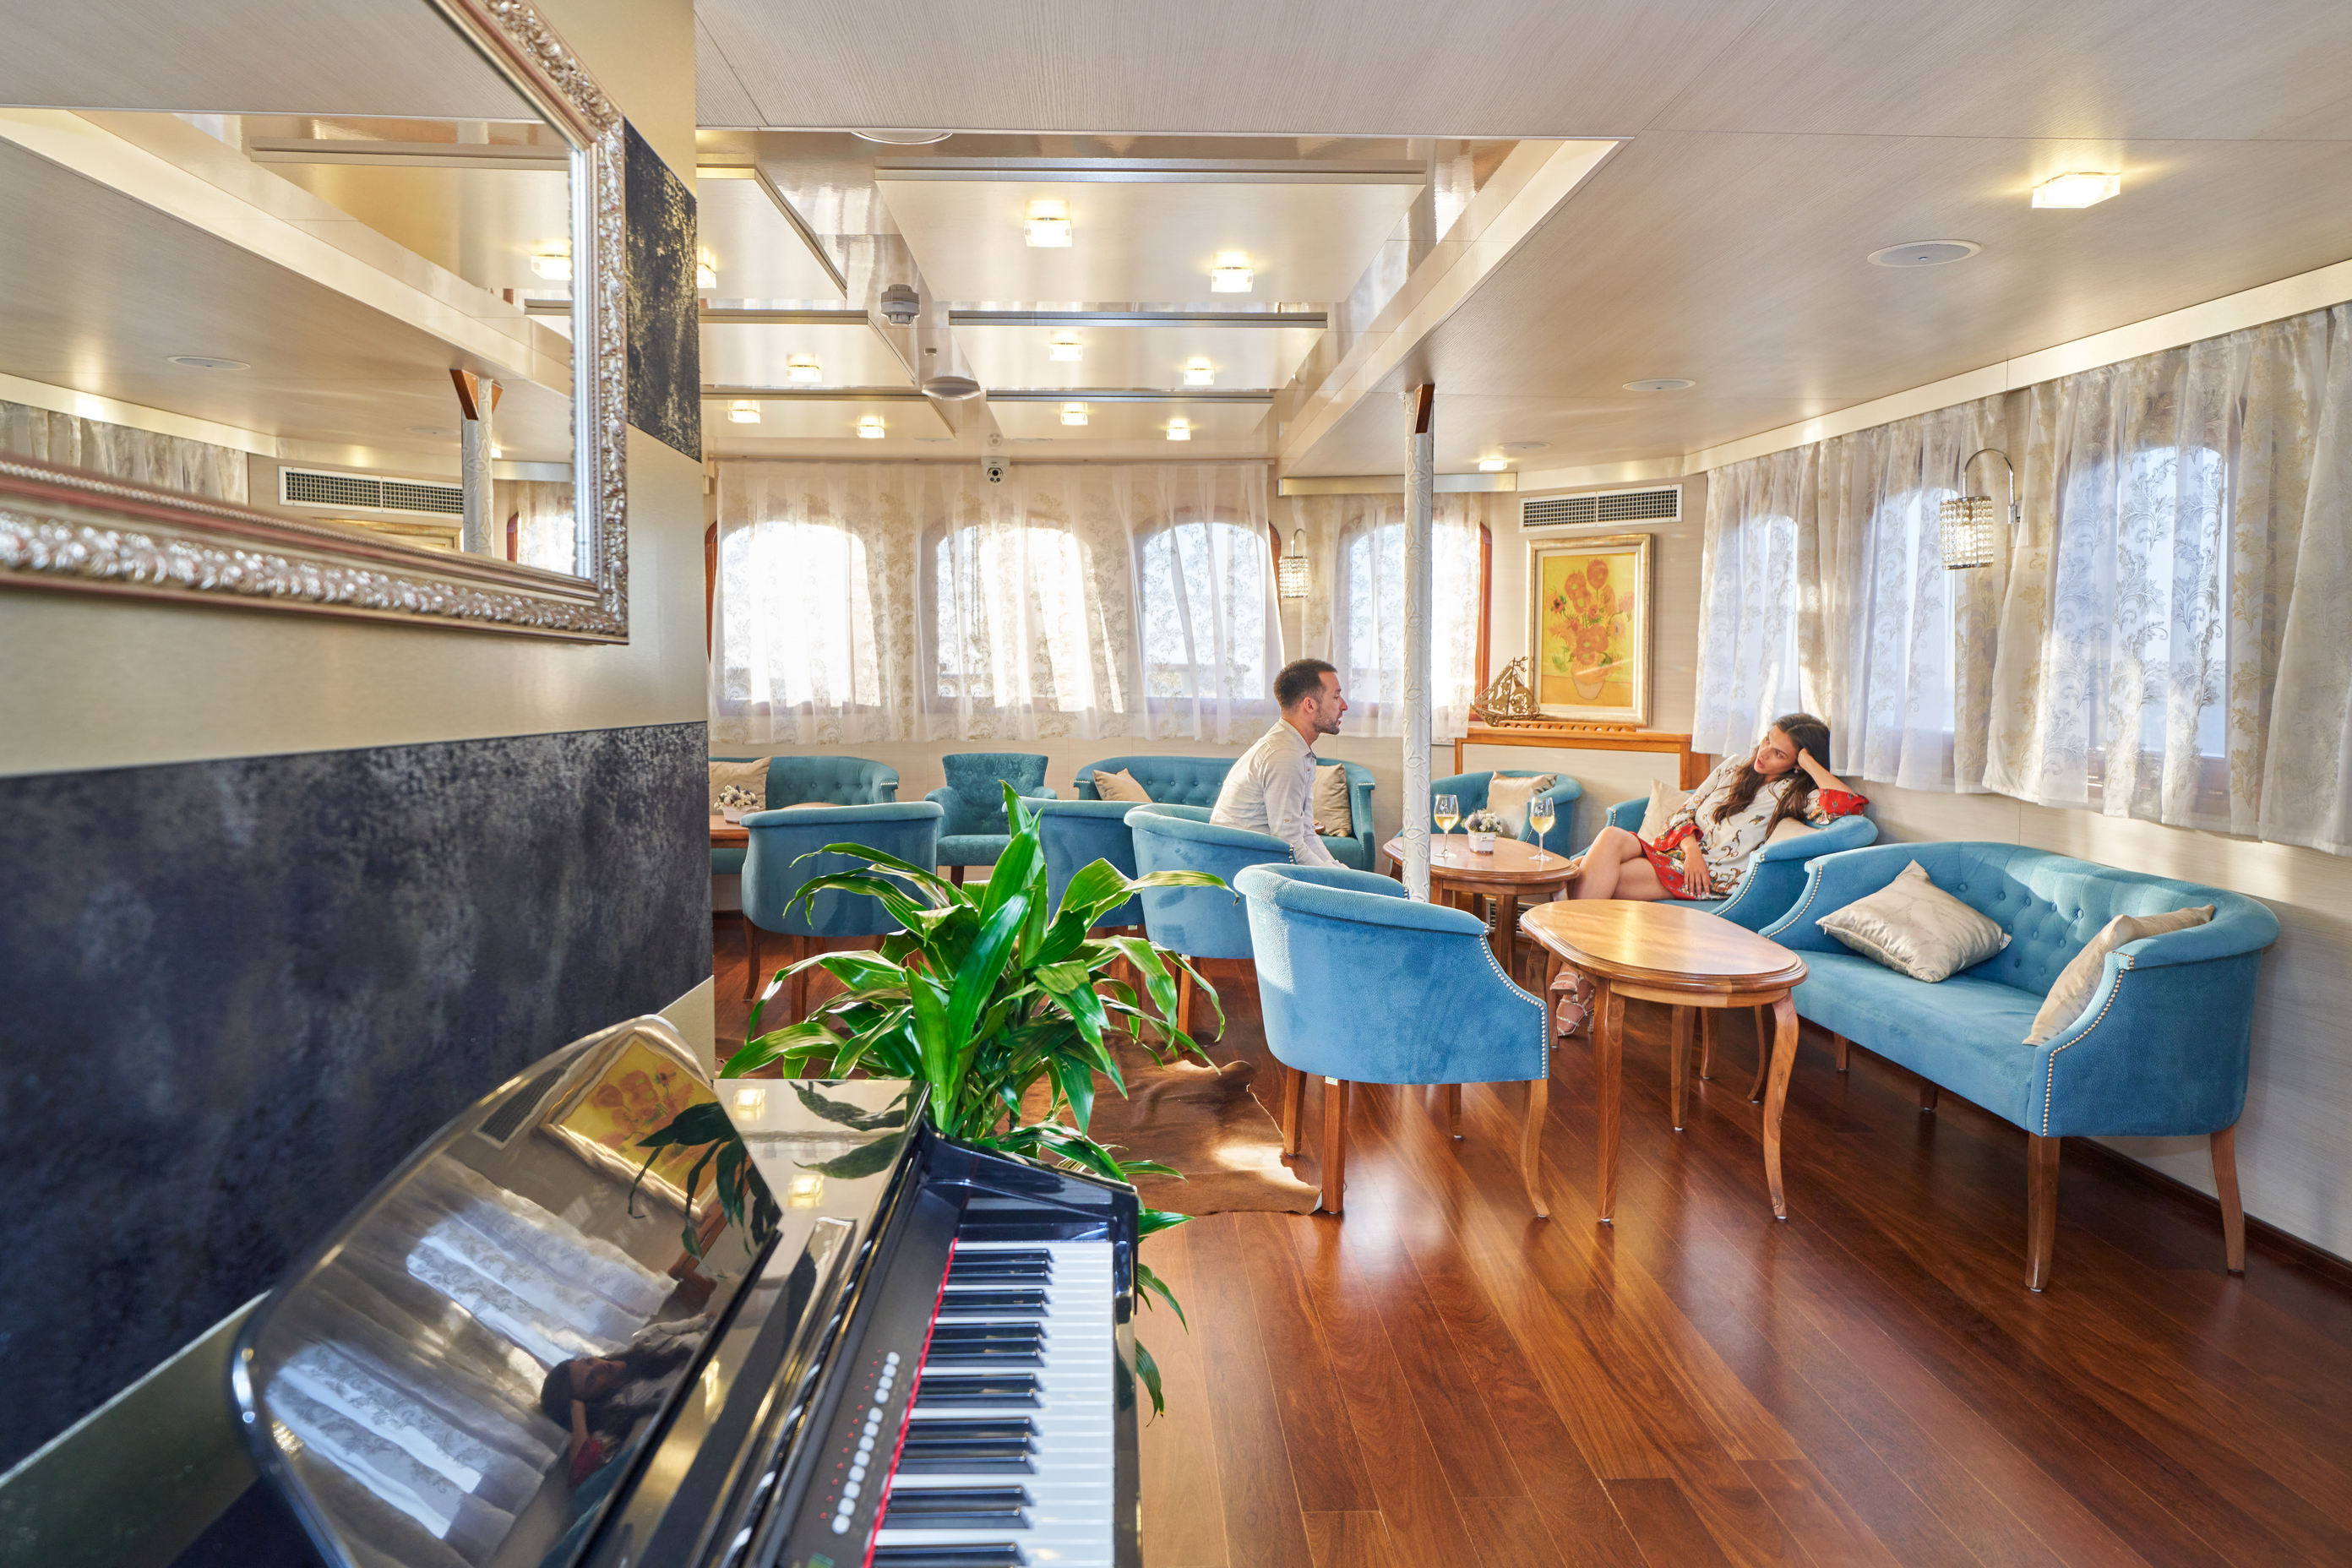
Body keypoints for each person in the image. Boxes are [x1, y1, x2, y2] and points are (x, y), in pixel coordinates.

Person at [1554, 712, 1866, 1033]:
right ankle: (1577, 973)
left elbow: (1850, 805)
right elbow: (1685, 811)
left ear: (1797, 763)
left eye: (1779, 753)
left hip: (1709, 878)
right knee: (1608, 839)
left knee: (1589, 873)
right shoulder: (1733, 767)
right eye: (1767, 740)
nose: (1763, 753)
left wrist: (1808, 762)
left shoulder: (1798, 796)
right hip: (1678, 854)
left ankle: (1576, 973)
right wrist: (1690, 850)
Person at [1212, 658, 1349, 868]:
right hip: (1243, 872)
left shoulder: (1296, 750)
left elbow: (1306, 832)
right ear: (1310, 705)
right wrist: (1336, 880)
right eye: (1336, 697)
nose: (1344, 706)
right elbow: (1290, 847)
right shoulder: (1285, 756)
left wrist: (1338, 870)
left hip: (1263, 867)